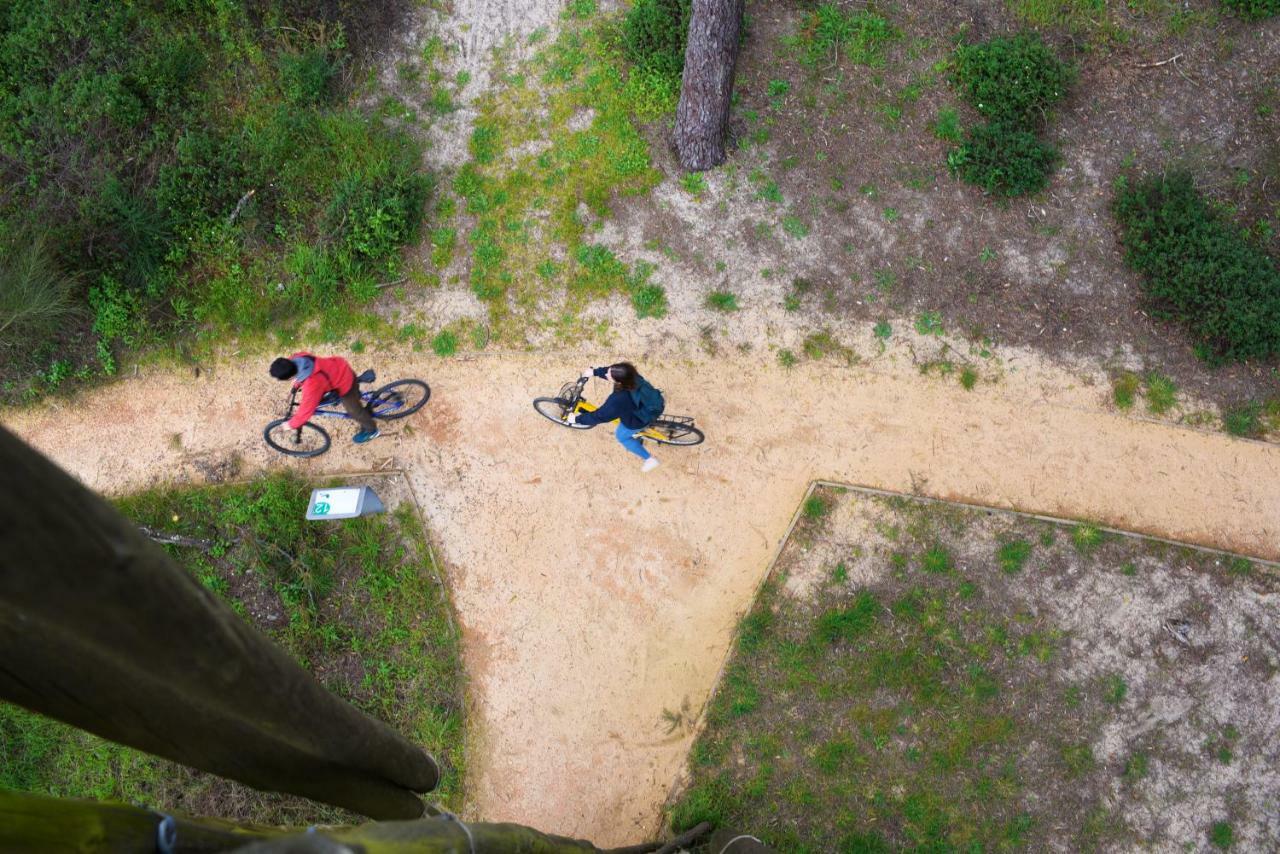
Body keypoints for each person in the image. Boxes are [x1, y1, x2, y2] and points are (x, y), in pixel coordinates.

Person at [566, 362, 665, 472]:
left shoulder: (619, 400)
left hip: (639, 419)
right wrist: (594, 372)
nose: (607, 374)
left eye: (609, 375)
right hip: (651, 403)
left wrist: (576, 419)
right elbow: (613, 372)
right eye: (609, 371)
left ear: (619, 382)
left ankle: (649, 459)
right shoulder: (631, 375)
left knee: (621, 436)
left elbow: (601, 416)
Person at [269, 353, 380, 444]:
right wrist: (297, 384)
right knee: (326, 397)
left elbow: (305, 411)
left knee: (354, 411)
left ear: (290, 377)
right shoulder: (298, 358)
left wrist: (290, 424)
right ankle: (356, 396)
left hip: (344, 380)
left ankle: (372, 430)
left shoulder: (312, 384)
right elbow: (301, 376)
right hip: (336, 367)